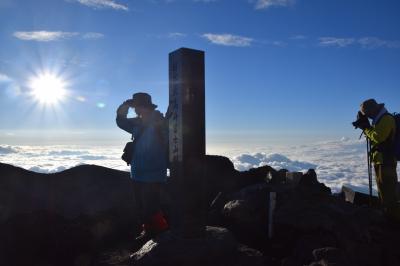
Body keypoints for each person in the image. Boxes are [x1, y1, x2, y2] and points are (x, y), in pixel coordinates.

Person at [116, 92, 169, 240]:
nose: (136, 110)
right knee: (141, 208)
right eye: (135, 108)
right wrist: (124, 106)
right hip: (137, 173)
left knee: (151, 208)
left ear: (146, 107)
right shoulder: (137, 123)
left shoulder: (160, 122)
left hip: (154, 173)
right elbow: (120, 121)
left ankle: (161, 234)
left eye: (138, 107)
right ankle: (148, 232)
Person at [355, 98, 400, 221]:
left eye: (367, 113)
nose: (367, 116)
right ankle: (388, 215)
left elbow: (378, 137)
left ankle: (393, 221)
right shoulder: (379, 119)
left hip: (386, 161)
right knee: (383, 190)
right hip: (381, 160)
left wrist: (366, 128)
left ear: (373, 110)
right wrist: (367, 127)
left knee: (388, 193)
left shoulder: (386, 119)